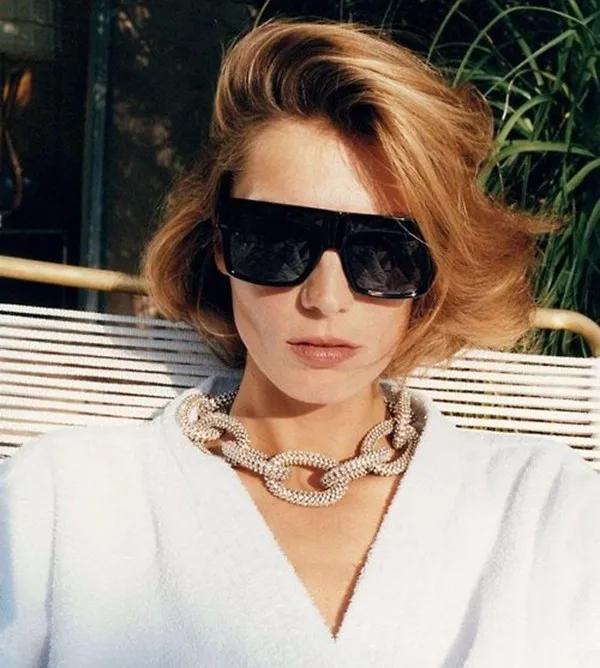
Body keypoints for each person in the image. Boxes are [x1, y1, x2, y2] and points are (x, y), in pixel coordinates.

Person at [1, 18, 599, 668]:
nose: (325, 297)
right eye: (277, 238)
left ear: (432, 270)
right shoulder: (61, 502)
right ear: (221, 244)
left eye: (385, 251)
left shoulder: (547, 510)